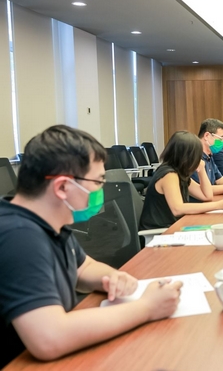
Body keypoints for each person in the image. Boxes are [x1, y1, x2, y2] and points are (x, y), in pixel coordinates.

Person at [0, 125, 182, 367]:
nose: (101, 190)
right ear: (62, 187)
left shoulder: (50, 221)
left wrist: (111, 276)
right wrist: (147, 307)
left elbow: (83, 268)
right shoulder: (18, 236)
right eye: (97, 181)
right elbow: (50, 338)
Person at [139, 131, 223, 230]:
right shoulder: (169, 174)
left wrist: (201, 170)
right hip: (161, 231)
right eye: (196, 155)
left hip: (174, 225)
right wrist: (218, 205)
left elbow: (207, 196)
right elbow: (177, 209)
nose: (198, 158)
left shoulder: (180, 173)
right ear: (186, 155)